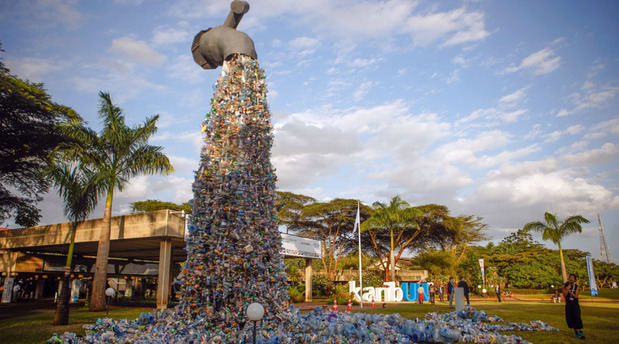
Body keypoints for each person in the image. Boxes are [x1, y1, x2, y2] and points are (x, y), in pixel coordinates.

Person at [563, 273, 585, 339]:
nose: (571, 279)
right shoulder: (566, 286)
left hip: (575, 305)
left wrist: (571, 292)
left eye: (572, 278)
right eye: (570, 278)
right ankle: (576, 333)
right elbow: (565, 295)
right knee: (570, 318)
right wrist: (567, 289)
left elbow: (576, 296)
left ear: (575, 280)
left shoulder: (577, 287)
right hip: (568, 305)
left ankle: (581, 332)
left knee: (577, 317)